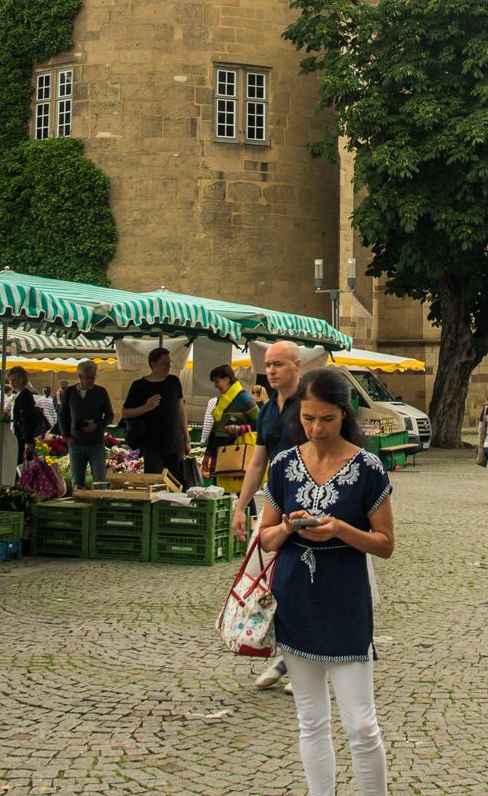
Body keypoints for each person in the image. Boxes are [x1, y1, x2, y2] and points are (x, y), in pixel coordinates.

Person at [252, 365, 394, 796]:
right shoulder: (283, 465)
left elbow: (385, 543)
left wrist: (340, 530)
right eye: (308, 419)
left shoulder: (368, 467)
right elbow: (267, 538)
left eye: (326, 419)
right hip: (295, 598)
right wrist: (292, 528)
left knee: (361, 724)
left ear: (344, 414)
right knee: (310, 720)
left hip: (346, 601)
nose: (316, 428)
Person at [234, 340, 307, 695]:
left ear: (297, 365)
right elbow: (258, 460)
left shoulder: (311, 404)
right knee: (272, 581)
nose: (271, 371)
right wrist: (241, 504)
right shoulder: (265, 411)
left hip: (308, 503)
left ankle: (298, 659)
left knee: (301, 580)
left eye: (278, 364)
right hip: (275, 504)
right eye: (268, 365)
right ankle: (287, 656)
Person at [123, 348, 188, 486]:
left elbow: (181, 410)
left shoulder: (174, 382)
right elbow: (125, 413)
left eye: (169, 362)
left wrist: (187, 439)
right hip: (152, 445)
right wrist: (146, 407)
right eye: (164, 363)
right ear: (153, 364)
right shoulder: (139, 386)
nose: (168, 366)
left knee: (176, 484)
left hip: (175, 443)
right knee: (154, 484)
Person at [58, 359, 117, 489]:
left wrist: (96, 425)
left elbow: (109, 415)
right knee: (77, 483)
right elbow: (62, 416)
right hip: (76, 443)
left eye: (94, 377)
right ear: (80, 376)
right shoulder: (69, 392)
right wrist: (65, 436)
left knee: (100, 481)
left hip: (96, 443)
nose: (92, 380)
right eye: (89, 377)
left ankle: (100, 505)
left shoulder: (100, 392)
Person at [200, 363, 259, 485]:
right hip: (219, 453)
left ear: (227, 379)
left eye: (217, 382)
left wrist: (240, 428)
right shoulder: (221, 401)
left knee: (240, 490)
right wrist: (207, 454)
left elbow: (260, 422)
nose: (216, 386)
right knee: (219, 490)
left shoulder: (244, 399)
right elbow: (214, 431)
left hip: (236, 454)